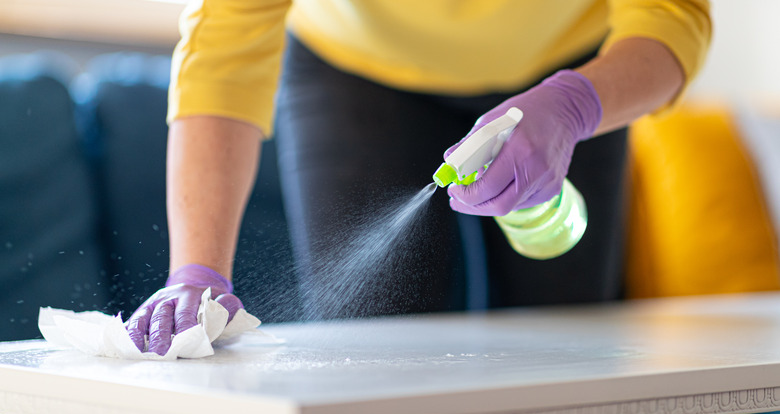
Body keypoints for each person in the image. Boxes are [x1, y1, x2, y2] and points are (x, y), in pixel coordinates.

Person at [126, 1, 711, 356]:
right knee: (369, 365)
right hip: (354, 69)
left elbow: (673, 14)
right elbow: (221, 57)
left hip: (576, 69)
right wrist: (196, 270)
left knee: (568, 356)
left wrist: (578, 105)